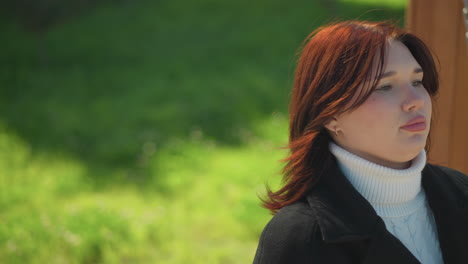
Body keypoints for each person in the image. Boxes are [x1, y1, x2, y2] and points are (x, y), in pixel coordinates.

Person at [253, 20, 468, 264]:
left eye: (417, 82)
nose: (415, 101)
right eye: (385, 86)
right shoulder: (300, 237)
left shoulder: (460, 193)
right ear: (330, 115)